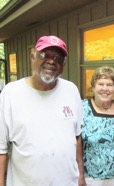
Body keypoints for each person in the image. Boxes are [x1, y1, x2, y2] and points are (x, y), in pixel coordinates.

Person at [0, 35, 86, 186]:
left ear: (63, 64)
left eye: (58, 58)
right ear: (32, 56)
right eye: (44, 55)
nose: (52, 61)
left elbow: (77, 136)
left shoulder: (71, 90)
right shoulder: (11, 93)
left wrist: (80, 177)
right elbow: (1, 149)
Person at [81, 66, 114, 186]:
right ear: (93, 87)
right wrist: (80, 176)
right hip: (90, 179)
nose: (105, 88)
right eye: (100, 84)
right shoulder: (82, 109)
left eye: (109, 84)